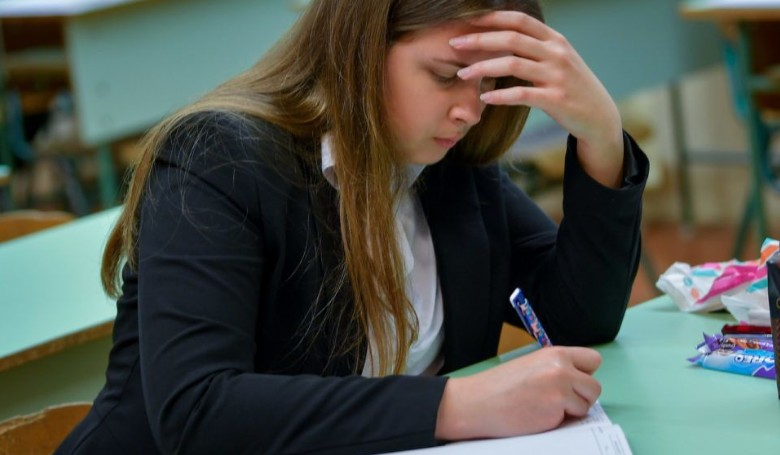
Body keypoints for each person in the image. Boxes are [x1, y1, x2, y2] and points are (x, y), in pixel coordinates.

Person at [56, 0, 648, 453]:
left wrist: (600, 135)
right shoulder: (218, 162)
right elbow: (198, 411)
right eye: (446, 75)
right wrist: (455, 404)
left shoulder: (443, 165)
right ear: (360, 49)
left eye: (489, 82)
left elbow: (573, 320)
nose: (470, 109)